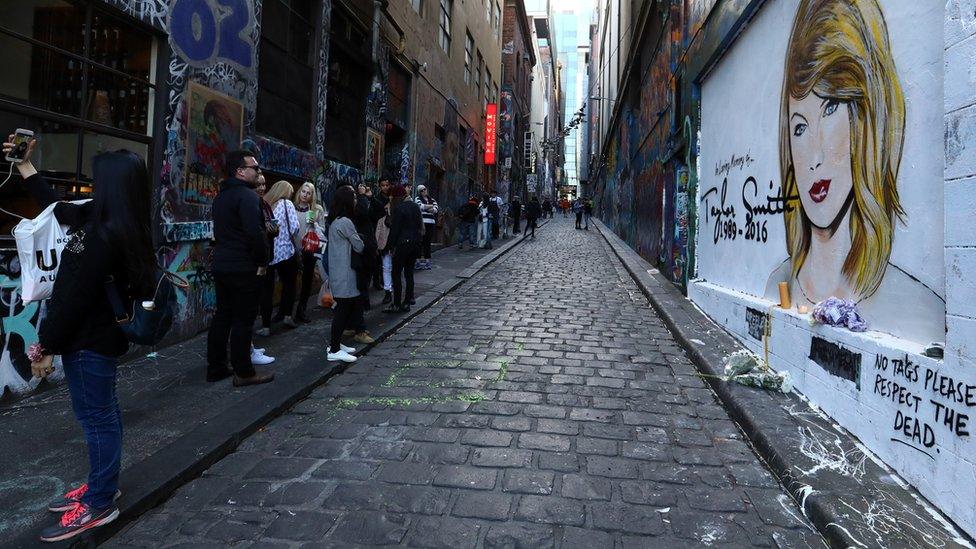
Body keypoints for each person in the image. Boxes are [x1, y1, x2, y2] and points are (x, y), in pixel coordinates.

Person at [4, 137, 157, 541]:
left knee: (97, 420)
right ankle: (101, 485)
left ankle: (100, 503)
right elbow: (57, 207)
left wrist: (43, 348)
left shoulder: (102, 235)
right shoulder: (115, 220)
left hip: (89, 342)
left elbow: (71, 300)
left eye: (96, 180)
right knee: (103, 416)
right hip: (96, 340)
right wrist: (25, 167)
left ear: (110, 187)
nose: (90, 186)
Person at [764, 0, 943, 343]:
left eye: (830, 108)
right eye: (799, 127)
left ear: (866, 118)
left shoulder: (915, 308)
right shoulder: (778, 283)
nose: (813, 156)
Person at [325, 185, 364, 363]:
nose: (356, 200)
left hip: (338, 271)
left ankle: (336, 344)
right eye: (354, 197)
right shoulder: (346, 222)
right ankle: (333, 349)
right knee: (342, 310)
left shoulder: (335, 221)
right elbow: (359, 246)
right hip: (345, 272)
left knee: (344, 308)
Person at [258, 181, 300, 333]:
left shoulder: (266, 204)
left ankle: (265, 326)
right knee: (289, 285)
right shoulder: (287, 203)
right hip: (286, 252)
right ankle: (287, 315)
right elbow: (295, 227)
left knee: (267, 290)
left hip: (268, 252)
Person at [248, 174, 275, 366]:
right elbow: (257, 231)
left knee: (255, 303)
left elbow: (273, 227)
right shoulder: (250, 203)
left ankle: (249, 347)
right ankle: (247, 350)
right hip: (251, 262)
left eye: (264, 184)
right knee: (247, 309)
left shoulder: (264, 204)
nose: (262, 188)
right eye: (258, 184)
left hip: (264, 258)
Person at [384, 184, 423, 313]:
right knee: (409, 273)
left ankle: (396, 303)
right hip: (415, 243)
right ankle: (407, 301)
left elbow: (395, 230)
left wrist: (389, 246)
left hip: (402, 244)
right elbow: (420, 227)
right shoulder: (415, 207)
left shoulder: (399, 209)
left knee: (396, 273)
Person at [293, 181, 326, 323]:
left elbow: (323, 232)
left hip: (309, 250)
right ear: (299, 192)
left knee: (306, 282)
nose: (305, 195)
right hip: (293, 249)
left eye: (308, 193)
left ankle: (301, 311)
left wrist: (315, 224)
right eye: (303, 191)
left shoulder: (317, 209)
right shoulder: (291, 207)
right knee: (291, 282)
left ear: (312, 196)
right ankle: (286, 312)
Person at [415, 184, 438, 269]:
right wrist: (429, 207)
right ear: (419, 192)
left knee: (427, 242)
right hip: (422, 223)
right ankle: (417, 261)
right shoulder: (417, 199)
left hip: (430, 223)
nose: (424, 191)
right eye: (421, 190)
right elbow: (419, 206)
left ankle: (427, 261)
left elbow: (436, 209)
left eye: (424, 189)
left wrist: (427, 207)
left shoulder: (432, 199)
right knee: (419, 242)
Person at [375, 199, 394, 304]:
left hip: (394, 247)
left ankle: (391, 290)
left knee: (391, 269)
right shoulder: (382, 220)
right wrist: (377, 247)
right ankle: (388, 290)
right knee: (386, 268)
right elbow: (378, 234)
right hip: (385, 247)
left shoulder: (397, 218)